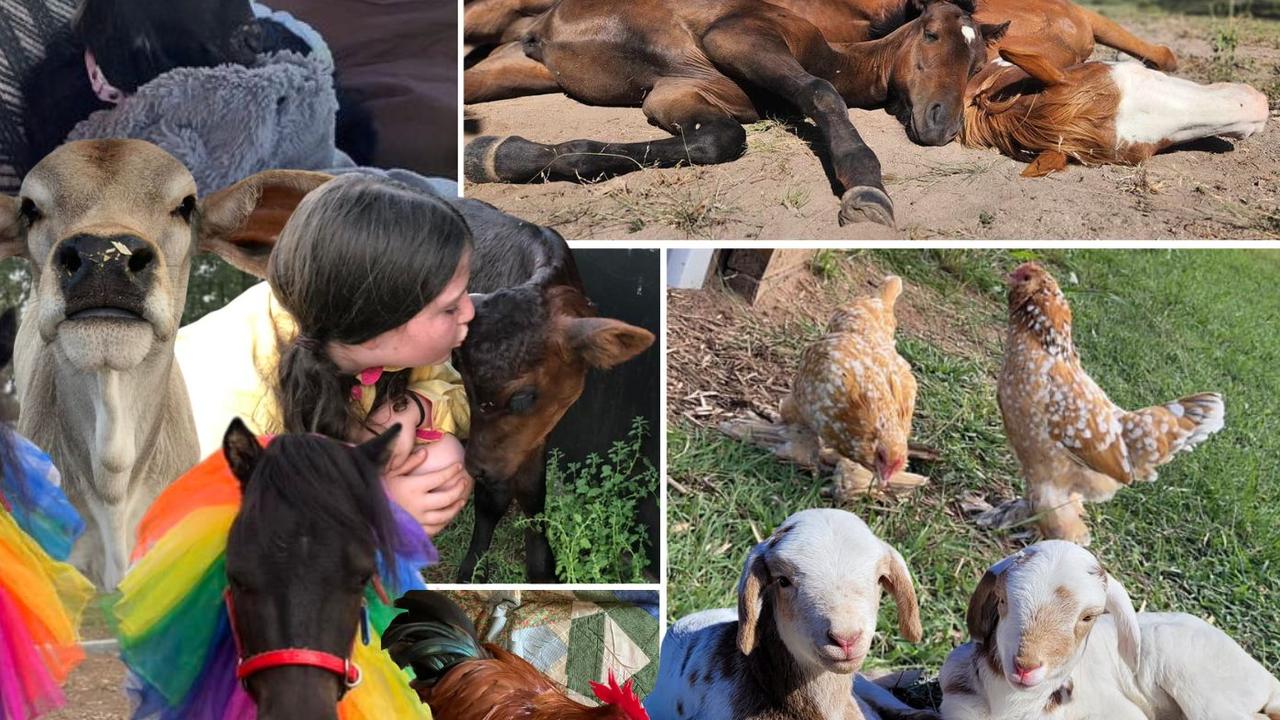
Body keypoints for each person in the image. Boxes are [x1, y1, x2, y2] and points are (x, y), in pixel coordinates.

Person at [178, 172, 475, 535]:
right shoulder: (238, 406)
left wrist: (410, 410)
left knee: (440, 458)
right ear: (375, 332)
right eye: (449, 308)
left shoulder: (337, 309)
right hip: (202, 509)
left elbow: (456, 392)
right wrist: (377, 508)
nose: (470, 311)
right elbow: (236, 532)